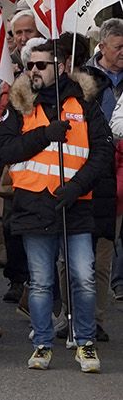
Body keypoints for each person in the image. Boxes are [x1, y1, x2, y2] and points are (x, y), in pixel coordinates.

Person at [0, 39, 107, 373]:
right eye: (30, 65)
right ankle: (42, 343)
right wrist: (45, 134)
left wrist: (76, 188)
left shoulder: (85, 100)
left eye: (41, 65)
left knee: (83, 277)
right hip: (33, 205)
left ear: (61, 65)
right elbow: (6, 149)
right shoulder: (20, 101)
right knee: (41, 281)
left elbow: (101, 151)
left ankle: (84, 343)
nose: (33, 71)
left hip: (75, 204)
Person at [80, 17, 123, 304]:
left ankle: (95, 317)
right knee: (80, 247)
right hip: (88, 164)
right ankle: (68, 312)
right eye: (119, 47)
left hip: (119, 166)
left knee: (109, 240)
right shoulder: (82, 77)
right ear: (103, 46)